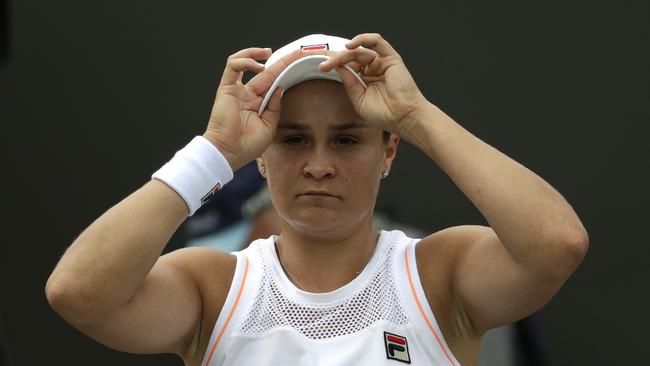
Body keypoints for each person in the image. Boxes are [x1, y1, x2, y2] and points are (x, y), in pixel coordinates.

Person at [45, 33, 588, 365]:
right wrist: (214, 151)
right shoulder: (214, 287)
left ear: (389, 152)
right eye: (293, 138)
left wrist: (417, 116)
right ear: (259, 157)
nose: (319, 164)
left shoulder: (435, 274)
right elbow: (78, 293)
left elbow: (557, 243)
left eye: (348, 139)